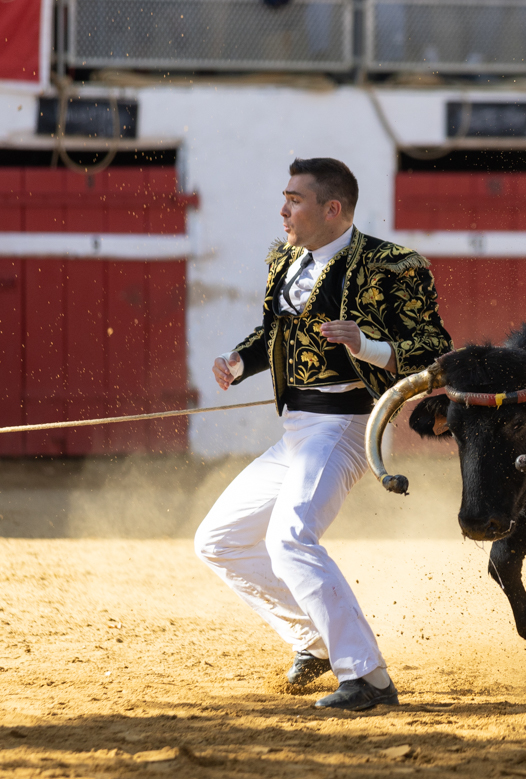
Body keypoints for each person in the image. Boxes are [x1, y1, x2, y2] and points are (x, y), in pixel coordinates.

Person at [194, 157, 452, 711]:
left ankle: (369, 678)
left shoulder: (394, 266)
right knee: (218, 541)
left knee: (290, 539)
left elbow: (434, 350)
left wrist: (367, 345)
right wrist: (237, 362)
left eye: (295, 199)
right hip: (296, 432)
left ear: (331, 209)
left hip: (346, 424)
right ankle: (313, 641)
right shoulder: (284, 259)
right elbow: (274, 333)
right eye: (285, 197)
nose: (283, 209)